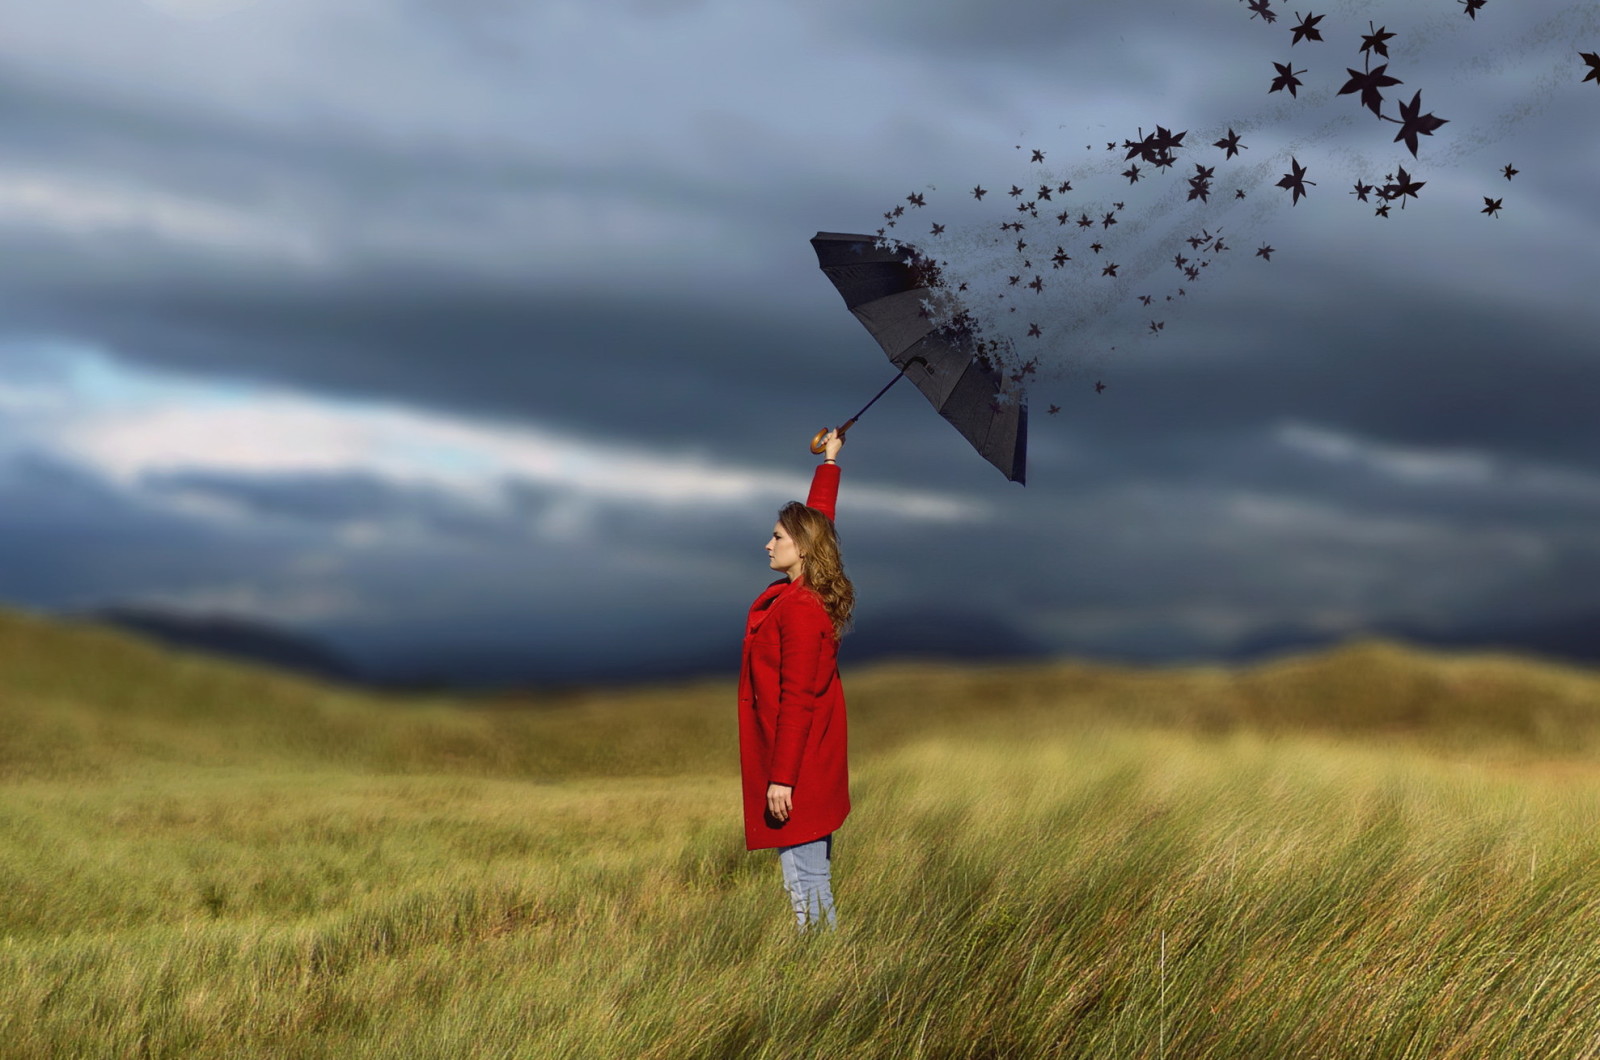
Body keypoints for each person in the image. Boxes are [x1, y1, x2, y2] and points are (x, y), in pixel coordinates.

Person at [738, 428, 853, 931]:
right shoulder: (804, 589)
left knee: (805, 880)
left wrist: (781, 777)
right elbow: (820, 521)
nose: (768, 543)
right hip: (807, 759)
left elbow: (797, 698)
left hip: (800, 767)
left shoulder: (802, 609)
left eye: (778, 537)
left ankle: (828, 974)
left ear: (802, 549)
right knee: (807, 874)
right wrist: (829, 463)